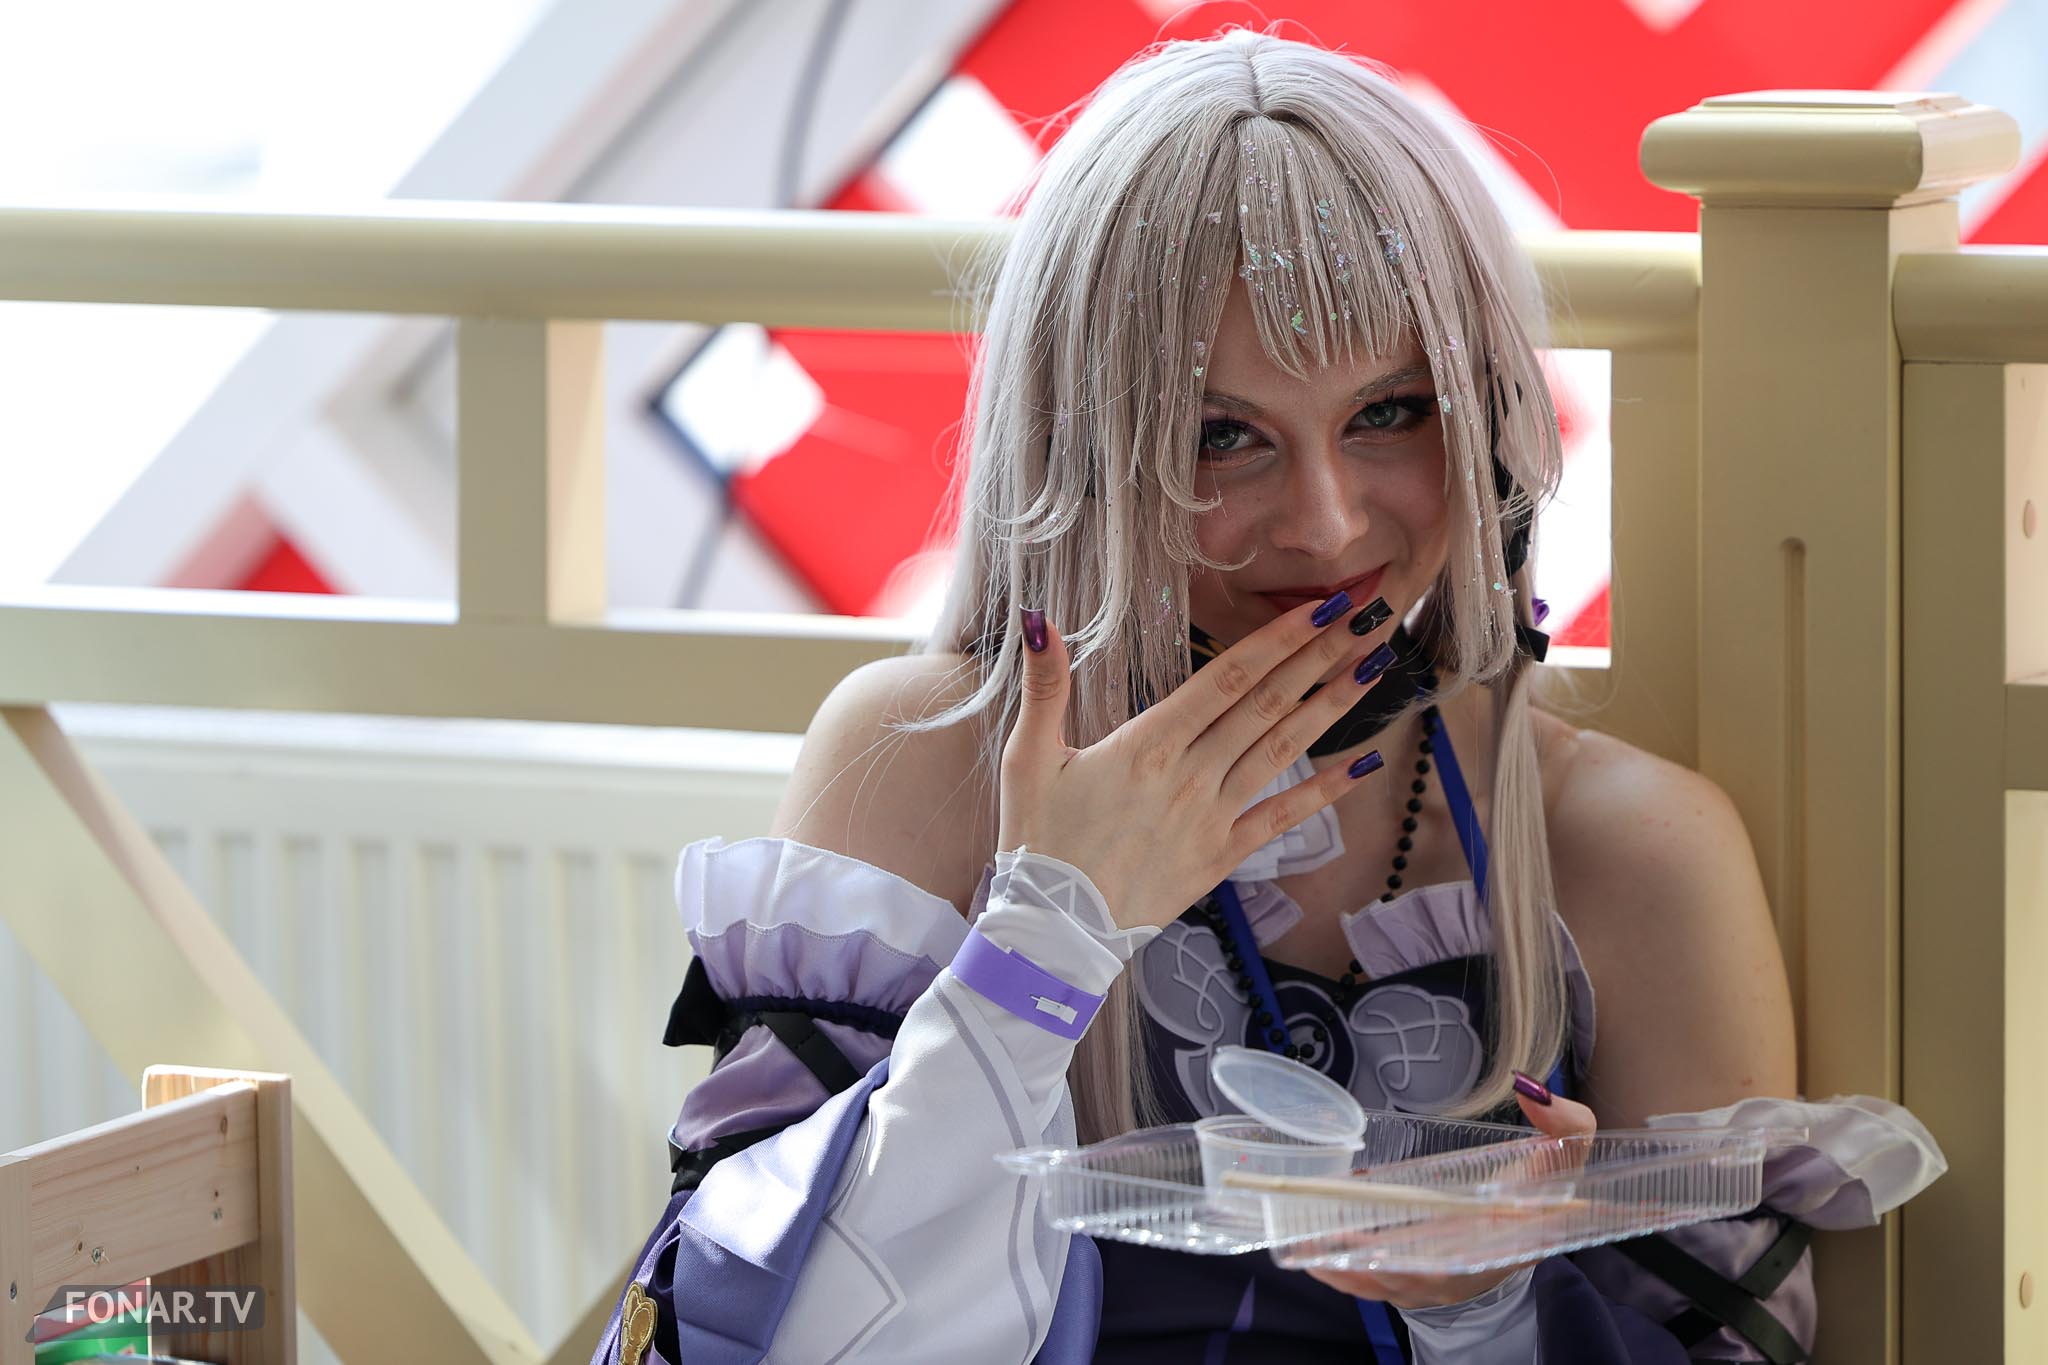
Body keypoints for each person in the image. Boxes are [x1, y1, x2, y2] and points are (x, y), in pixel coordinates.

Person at [591, 28, 1943, 1365]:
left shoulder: (1628, 848)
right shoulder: (928, 758)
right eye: (1218, 435)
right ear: (1074, 453)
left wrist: (1482, 1313)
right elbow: (727, 1339)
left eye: (1390, 412)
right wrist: (1049, 938)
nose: (1324, 520)